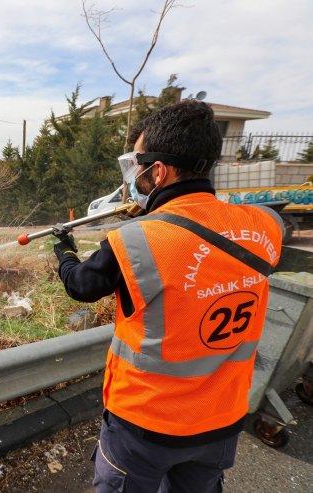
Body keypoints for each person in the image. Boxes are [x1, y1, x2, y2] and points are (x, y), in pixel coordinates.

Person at [53, 100, 284, 492]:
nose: (135, 176)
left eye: (138, 166)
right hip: (222, 420)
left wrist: (65, 250)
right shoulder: (265, 226)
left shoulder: (137, 239)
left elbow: (81, 285)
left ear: (157, 172)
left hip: (146, 425)